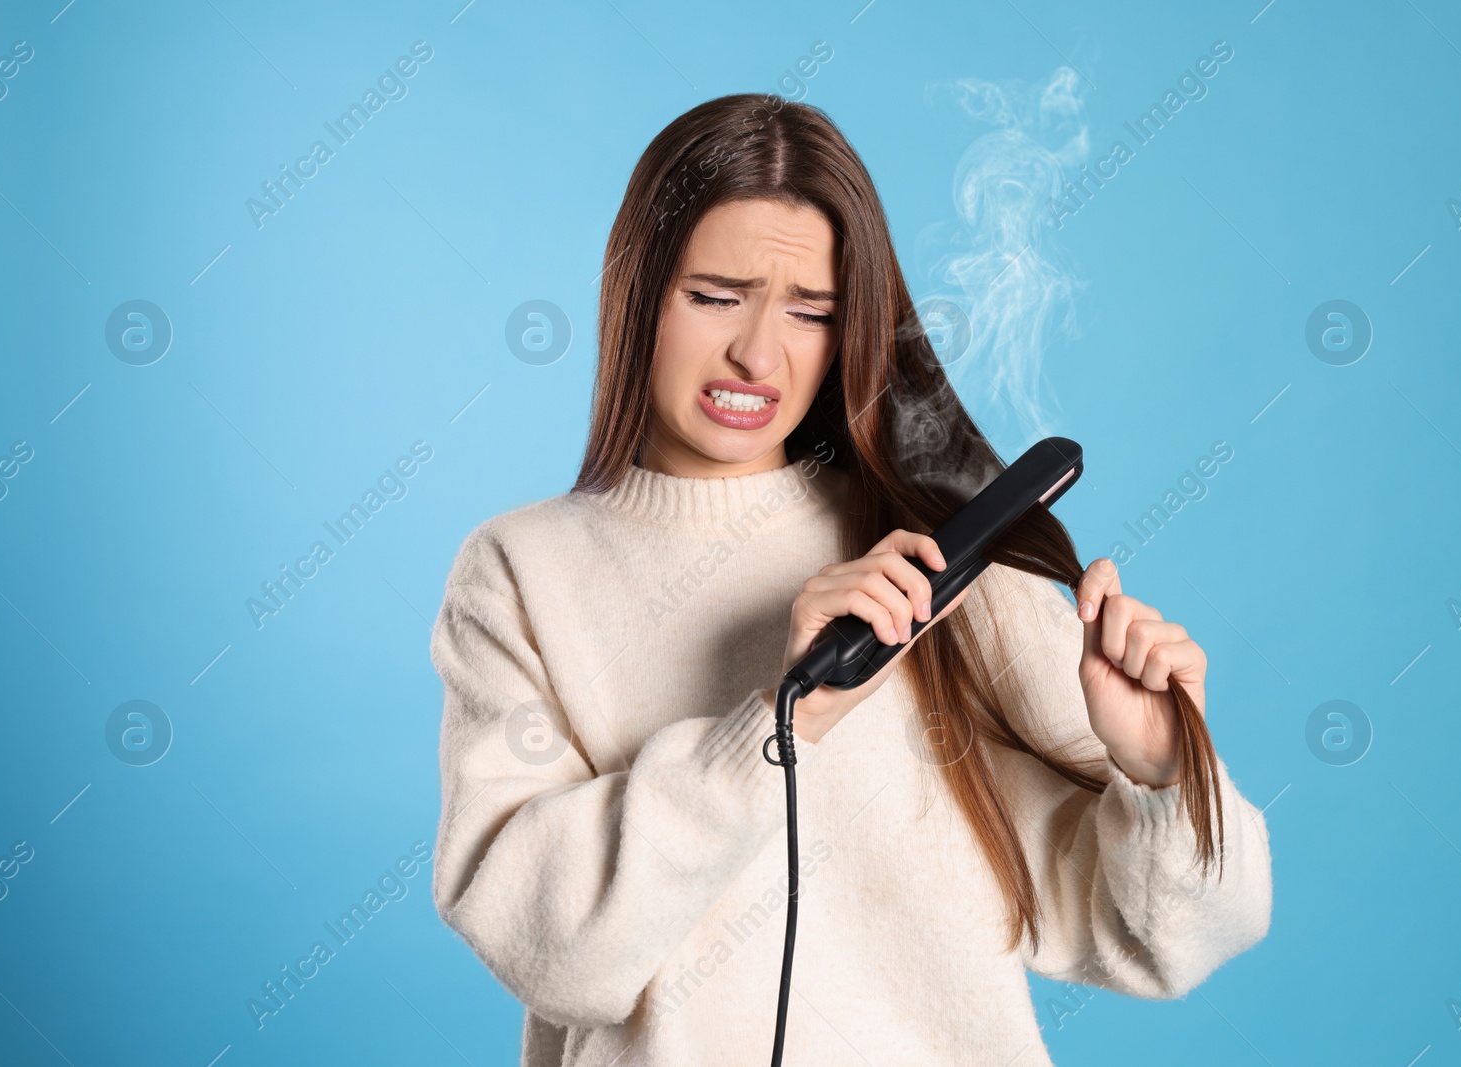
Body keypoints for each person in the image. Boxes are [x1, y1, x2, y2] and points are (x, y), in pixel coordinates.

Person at [430, 92, 1272, 1066]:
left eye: (811, 311)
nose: (758, 351)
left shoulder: (934, 563)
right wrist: (779, 724)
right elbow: (553, 951)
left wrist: (1169, 768)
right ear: (637, 289)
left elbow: (1178, 936)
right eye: (715, 295)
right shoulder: (519, 573)